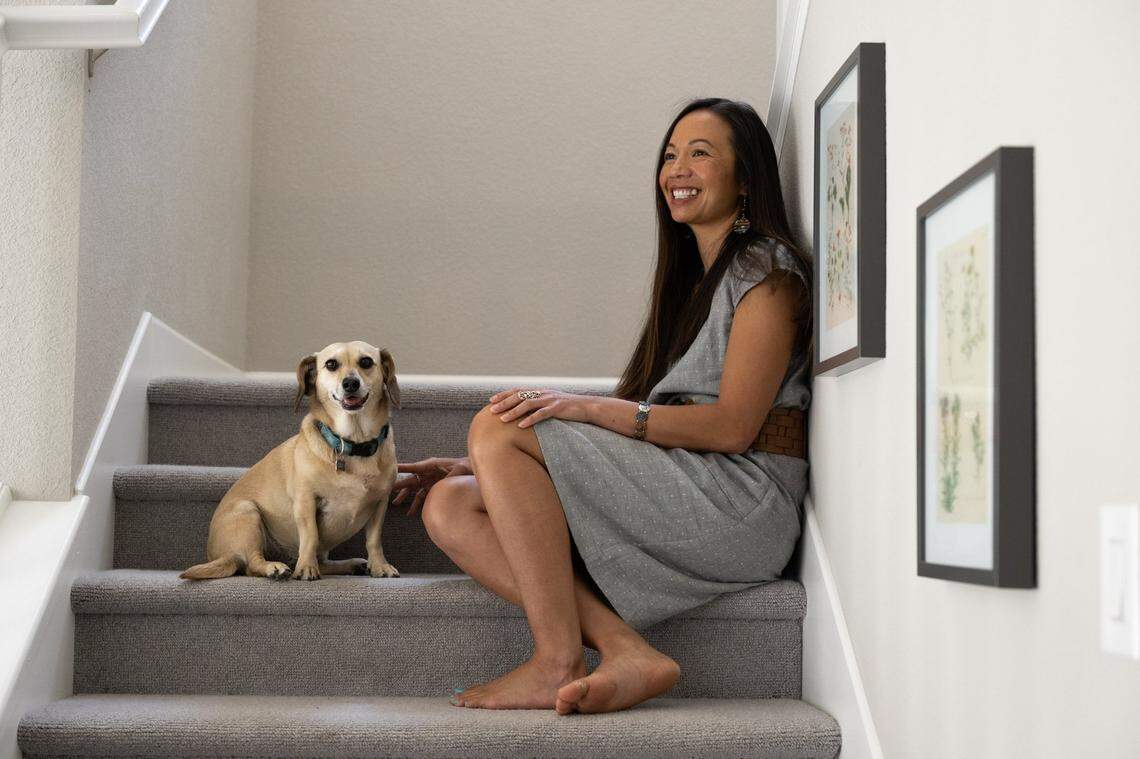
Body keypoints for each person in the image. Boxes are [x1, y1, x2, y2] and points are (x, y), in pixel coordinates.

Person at [392, 97, 813, 716]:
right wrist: (478, 467)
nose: (677, 170)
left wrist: (586, 409)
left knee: (500, 424)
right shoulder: (696, 281)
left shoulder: (767, 272)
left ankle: (556, 661)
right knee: (450, 504)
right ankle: (625, 649)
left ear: (746, 177)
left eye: (700, 154)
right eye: (670, 156)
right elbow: (667, 425)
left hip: (743, 501)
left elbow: (731, 427)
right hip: (691, 479)